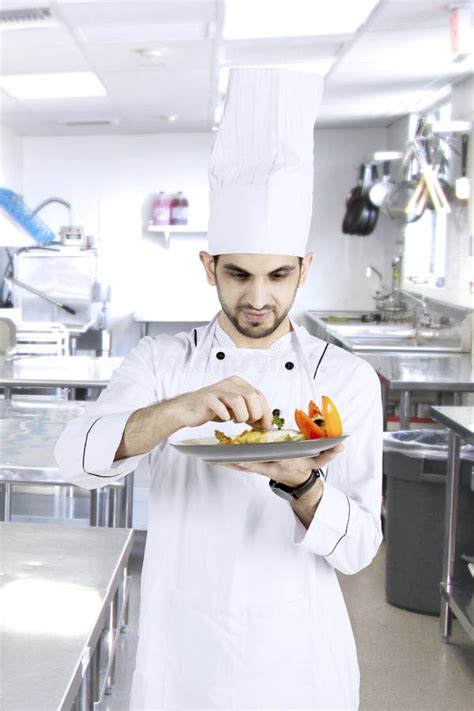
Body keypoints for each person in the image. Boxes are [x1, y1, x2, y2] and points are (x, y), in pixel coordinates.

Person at [56, 68, 383, 710]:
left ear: (304, 270)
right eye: (237, 274)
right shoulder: (161, 359)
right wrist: (179, 410)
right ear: (208, 267)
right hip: (185, 652)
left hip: (300, 658)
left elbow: (360, 550)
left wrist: (301, 481)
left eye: (278, 275)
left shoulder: (346, 380)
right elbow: (77, 462)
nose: (258, 298)